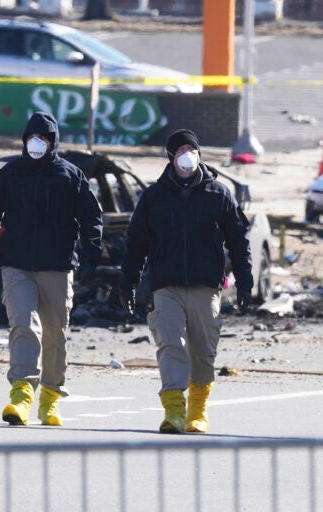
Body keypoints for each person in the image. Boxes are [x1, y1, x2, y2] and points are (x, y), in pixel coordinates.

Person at [0, 111, 103, 426]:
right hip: (15, 265)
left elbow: (91, 218)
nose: (36, 143)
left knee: (55, 334)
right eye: (31, 138)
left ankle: (51, 399)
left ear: (53, 141)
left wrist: (91, 257)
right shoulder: (10, 174)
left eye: (42, 138)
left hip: (57, 267)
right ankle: (21, 394)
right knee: (23, 326)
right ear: (24, 141)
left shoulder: (71, 175)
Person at [120, 128, 252, 434]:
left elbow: (238, 241)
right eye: (179, 151)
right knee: (171, 346)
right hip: (166, 287)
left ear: (199, 153)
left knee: (203, 351)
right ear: (170, 158)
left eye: (190, 150)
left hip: (206, 287)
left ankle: (198, 410)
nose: (186, 156)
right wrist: (127, 283)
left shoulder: (218, 194)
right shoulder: (154, 197)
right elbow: (136, 243)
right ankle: (174, 411)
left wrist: (246, 282)